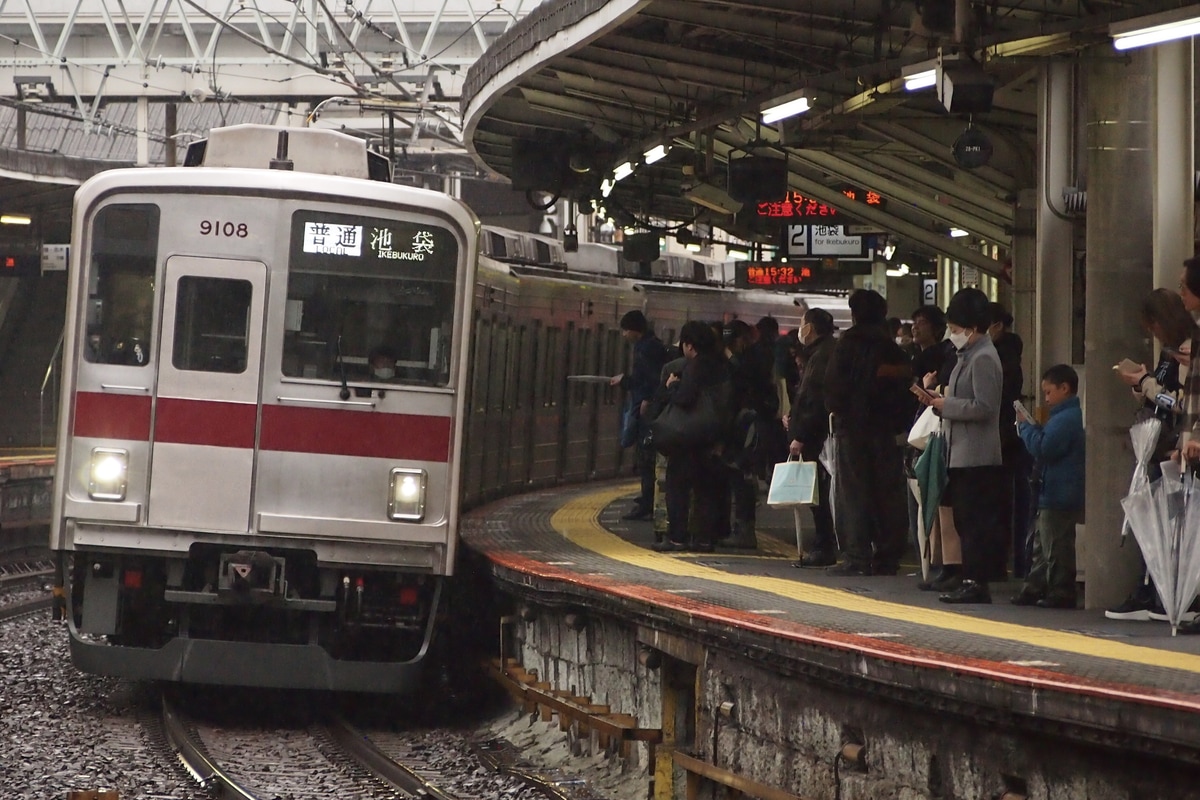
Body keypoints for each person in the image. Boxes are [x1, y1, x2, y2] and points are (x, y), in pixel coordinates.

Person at [1108, 288, 1196, 619]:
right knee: (1154, 520)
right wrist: (1142, 387)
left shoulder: (1187, 353)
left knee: (1172, 522)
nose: (1152, 333)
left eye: (1153, 325)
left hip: (1174, 445)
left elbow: (1182, 404)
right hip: (1156, 445)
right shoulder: (1167, 354)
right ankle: (1152, 587)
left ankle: (1167, 592)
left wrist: (1146, 382)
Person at [916, 287, 1004, 604]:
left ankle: (976, 581)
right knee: (964, 519)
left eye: (955, 328)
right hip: (961, 451)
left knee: (974, 520)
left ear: (972, 325)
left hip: (977, 455)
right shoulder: (968, 355)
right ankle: (968, 577)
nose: (953, 334)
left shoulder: (983, 358)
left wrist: (946, 405)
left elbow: (985, 406)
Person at [823, 289, 912, 576]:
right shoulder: (890, 347)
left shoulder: (848, 343)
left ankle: (857, 557)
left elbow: (833, 389)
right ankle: (888, 556)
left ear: (855, 314)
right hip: (884, 432)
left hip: (852, 430)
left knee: (854, 493)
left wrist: (842, 410)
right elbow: (905, 385)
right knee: (887, 493)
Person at [653, 320, 733, 552]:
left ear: (689, 345)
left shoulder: (694, 367)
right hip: (712, 437)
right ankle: (704, 539)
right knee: (706, 490)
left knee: (678, 487)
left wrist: (671, 386)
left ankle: (677, 537)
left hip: (689, 438)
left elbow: (685, 399)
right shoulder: (722, 366)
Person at [1011, 365, 1085, 608]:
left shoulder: (1065, 419)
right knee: (1044, 544)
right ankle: (1036, 586)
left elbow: (1043, 448)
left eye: (1049, 391)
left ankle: (1061, 590)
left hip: (1058, 491)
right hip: (1055, 490)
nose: (1046, 398)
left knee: (1055, 546)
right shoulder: (1066, 417)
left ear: (1065, 388)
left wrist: (1025, 427)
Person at [787, 307, 838, 567]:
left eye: (802, 324)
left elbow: (814, 400)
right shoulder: (823, 352)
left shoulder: (821, 356)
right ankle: (825, 544)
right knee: (820, 494)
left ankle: (824, 546)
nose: (800, 328)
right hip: (819, 436)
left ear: (810, 328)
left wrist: (801, 434)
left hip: (817, 439)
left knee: (820, 495)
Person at [611, 310, 670, 521]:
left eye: (625, 330)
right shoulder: (650, 345)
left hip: (647, 409)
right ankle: (647, 499)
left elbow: (647, 379)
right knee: (645, 456)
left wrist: (631, 386)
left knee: (646, 457)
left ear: (635, 330)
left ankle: (648, 501)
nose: (624, 335)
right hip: (647, 405)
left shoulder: (646, 349)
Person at [988, 302, 1028, 579]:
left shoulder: (999, 358)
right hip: (1002, 436)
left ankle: (998, 561)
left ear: (998, 325)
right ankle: (1002, 561)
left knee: (995, 503)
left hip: (997, 437)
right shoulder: (1006, 354)